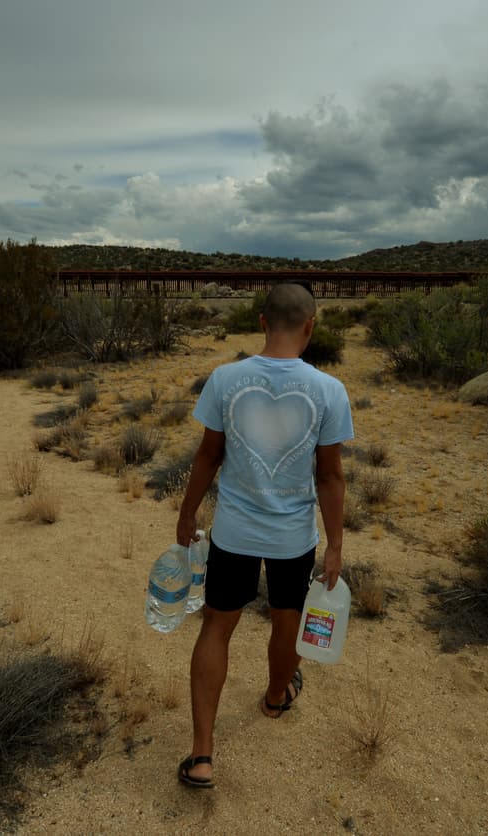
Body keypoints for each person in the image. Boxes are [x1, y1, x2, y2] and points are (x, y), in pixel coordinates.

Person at [174, 282, 353, 790]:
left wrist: (188, 514)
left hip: (234, 530)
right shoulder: (329, 391)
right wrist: (336, 545)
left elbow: (208, 455)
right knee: (287, 620)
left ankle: (202, 755)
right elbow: (330, 477)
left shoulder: (225, 379)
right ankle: (276, 698)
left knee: (217, 627)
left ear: (261, 322)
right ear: (311, 326)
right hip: (292, 537)